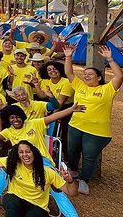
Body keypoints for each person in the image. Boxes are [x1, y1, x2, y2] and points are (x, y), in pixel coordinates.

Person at [0, 104, 84, 216]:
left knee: (56, 188)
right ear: (8, 120)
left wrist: (71, 109)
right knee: (5, 168)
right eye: (12, 118)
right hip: (21, 161)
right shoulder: (9, 132)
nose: (15, 119)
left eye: (17, 117)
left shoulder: (34, 123)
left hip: (43, 161)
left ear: (22, 116)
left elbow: (54, 117)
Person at [63, 44, 122, 194]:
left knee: (89, 157)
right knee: (72, 151)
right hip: (75, 125)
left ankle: (83, 180)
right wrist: (68, 56)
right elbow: (69, 73)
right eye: (85, 73)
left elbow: (119, 76)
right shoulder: (80, 86)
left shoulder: (107, 89)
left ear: (100, 77)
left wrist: (110, 59)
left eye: (90, 74)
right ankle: (73, 172)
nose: (86, 75)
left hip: (97, 131)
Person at [0, 141, 78, 216]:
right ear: (17, 155)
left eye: (28, 151)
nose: (25, 155)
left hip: (37, 205)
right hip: (15, 199)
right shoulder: (14, 163)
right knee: (11, 204)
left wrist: (70, 181)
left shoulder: (47, 172)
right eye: (21, 152)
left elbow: (72, 192)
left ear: (34, 153)